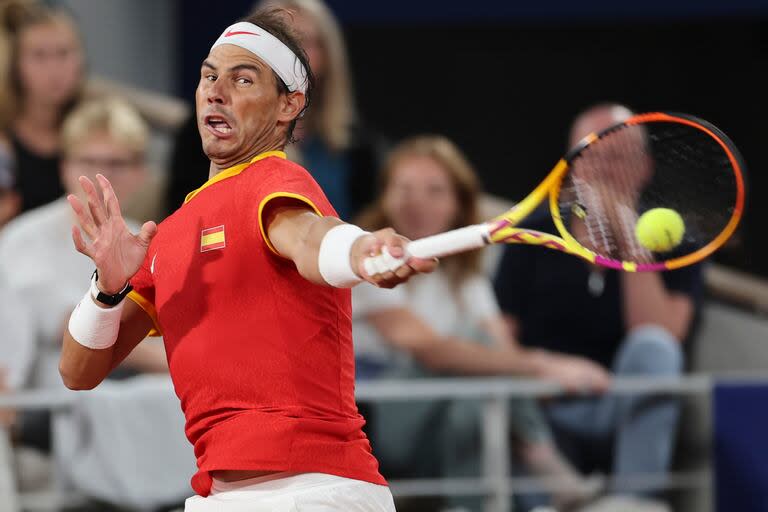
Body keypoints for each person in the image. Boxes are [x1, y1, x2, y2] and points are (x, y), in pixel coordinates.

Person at [58, 8, 435, 511]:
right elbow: (78, 371)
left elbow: (310, 238)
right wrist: (105, 288)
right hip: (219, 497)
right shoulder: (168, 235)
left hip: (316, 493)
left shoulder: (277, 183)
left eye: (243, 79)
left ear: (288, 105)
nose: (216, 91)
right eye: (209, 76)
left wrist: (359, 250)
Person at [353, 135, 606, 510]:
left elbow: (501, 354)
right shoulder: (366, 262)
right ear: (385, 196)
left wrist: (534, 373)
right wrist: (546, 365)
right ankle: (545, 463)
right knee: (470, 353)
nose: (416, 202)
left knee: (475, 397)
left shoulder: (468, 281)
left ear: (458, 204)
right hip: (376, 435)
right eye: (403, 189)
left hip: (443, 432)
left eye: (434, 191)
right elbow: (434, 353)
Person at [494, 103, 703, 510]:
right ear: (571, 166)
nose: (607, 170)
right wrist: (550, 371)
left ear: (645, 168)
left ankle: (634, 504)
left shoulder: (681, 244)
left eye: (621, 158)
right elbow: (499, 343)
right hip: (547, 408)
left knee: (654, 349)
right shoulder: (529, 237)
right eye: (594, 155)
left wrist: (628, 237)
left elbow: (663, 335)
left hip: (630, 407)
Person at [167, 0, 381, 220]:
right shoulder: (205, 130)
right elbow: (182, 218)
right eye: (210, 76)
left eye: (302, 41)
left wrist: (351, 246)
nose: (291, 51)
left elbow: (318, 232)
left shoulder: (357, 145)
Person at [0, 0, 85, 213]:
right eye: (39, 55)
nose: (54, 69)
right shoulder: (4, 141)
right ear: (16, 66)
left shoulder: (94, 127)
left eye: (63, 53)